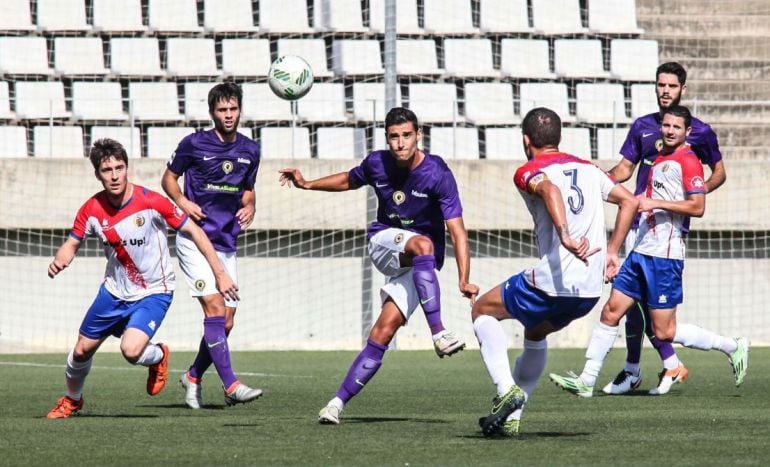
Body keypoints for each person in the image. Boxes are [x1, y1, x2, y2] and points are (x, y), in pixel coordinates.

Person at [278, 107, 479, 424]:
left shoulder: (437, 173)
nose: (400, 144)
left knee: (383, 332)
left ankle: (335, 404)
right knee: (423, 243)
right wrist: (307, 184)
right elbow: (348, 180)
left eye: (406, 136)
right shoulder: (377, 163)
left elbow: (457, 229)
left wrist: (464, 278)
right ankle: (439, 333)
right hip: (385, 242)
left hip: (420, 264)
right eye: (394, 137)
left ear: (418, 136)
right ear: (388, 138)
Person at [549, 106, 749, 399]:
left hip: (665, 256)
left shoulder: (688, 161)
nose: (669, 131)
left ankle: (731, 346)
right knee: (611, 310)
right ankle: (586, 379)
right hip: (641, 251)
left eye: (676, 128)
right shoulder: (660, 159)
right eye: (666, 126)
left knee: (664, 331)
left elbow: (698, 207)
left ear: (687, 132)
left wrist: (655, 203)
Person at [472, 108, 638, 437]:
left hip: (554, 279)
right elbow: (630, 202)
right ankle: (514, 416)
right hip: (589, 290)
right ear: (559, 138)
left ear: (525, 140)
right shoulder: (589, 169)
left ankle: (506, 390)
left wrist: (564, 234)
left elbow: (550, 190)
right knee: (534, 333)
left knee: (482, 311)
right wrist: (613, 252)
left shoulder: (528, 169)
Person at [46, 138, 239, 419]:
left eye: (119, 168)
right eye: (107, 170)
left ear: (127, 168)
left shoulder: (151, 201)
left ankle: (158, 356)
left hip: (154, 292)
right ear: (98, 174)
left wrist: (219, 273)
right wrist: (62, 257)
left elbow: (195, 231)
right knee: (80, 351)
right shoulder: (91, 209)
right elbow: (72, 242)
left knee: (131, 350)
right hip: (113, 292)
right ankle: (72, 400)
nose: (114, 175)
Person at [604, 62, 727, 396]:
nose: (665, 91)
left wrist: (690, 197)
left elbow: (718, 172)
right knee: (628, 302)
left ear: (683, 89)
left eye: (672, 86)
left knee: (647, 309)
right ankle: (638, 369)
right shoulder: (644, 126)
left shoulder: (697, 131)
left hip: (668, 229)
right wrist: (599, 182)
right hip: (637, 222)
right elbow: (625, 169)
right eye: (660, 85)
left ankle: (659, 365)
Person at [161, 82, 262, 409]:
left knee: (227, 321)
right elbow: (168, 179)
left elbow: (248, 190)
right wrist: (181, 202)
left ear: (240, 110)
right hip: (194, 238)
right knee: (216, 310)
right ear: (212, 113)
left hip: (226, 240)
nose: (228, 115)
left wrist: (251, 206)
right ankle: (231, 385)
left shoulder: (251, 149)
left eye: (233, 109)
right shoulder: (193, 143)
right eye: (222, 110)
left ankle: (192, 375)